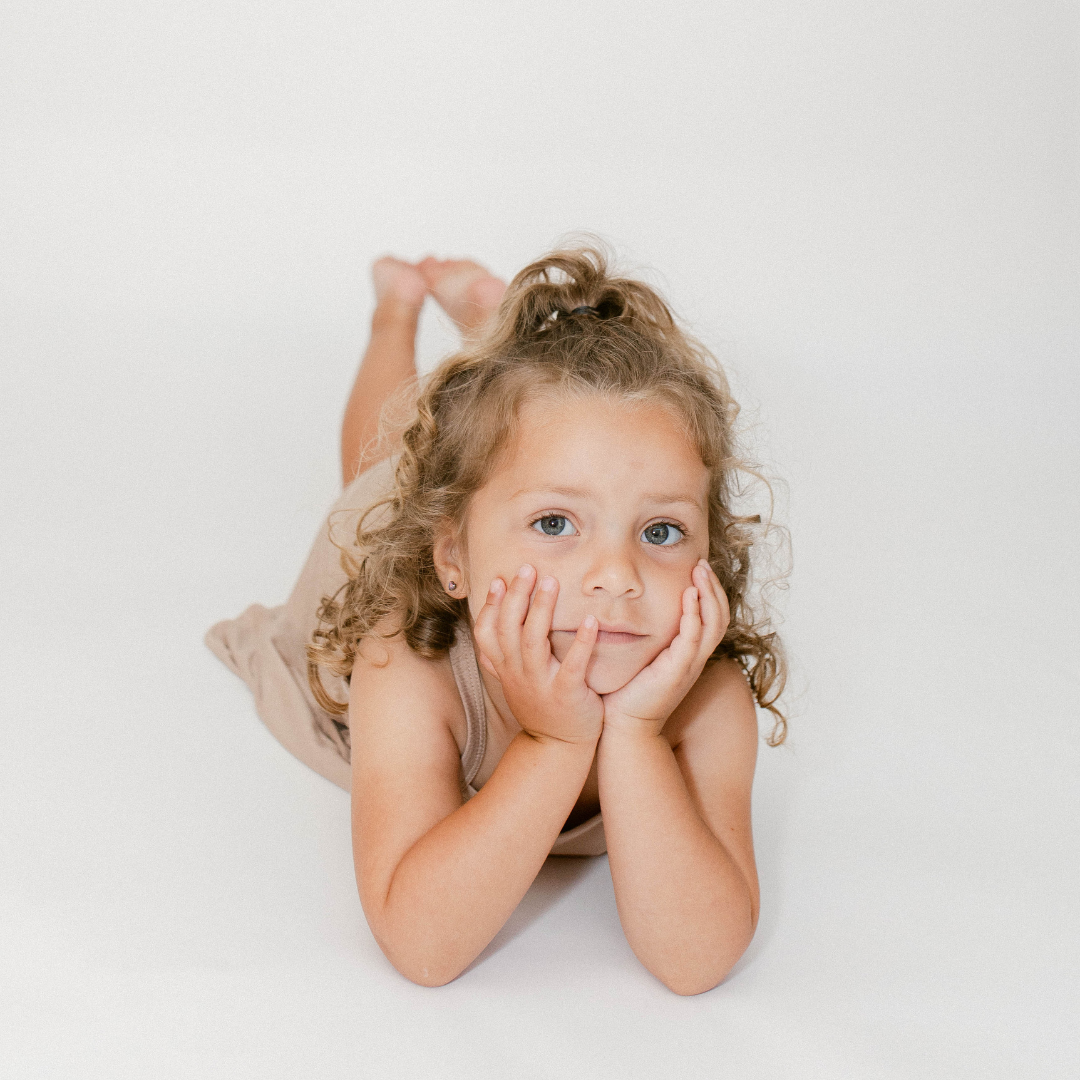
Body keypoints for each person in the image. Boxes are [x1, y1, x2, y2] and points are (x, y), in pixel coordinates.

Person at [206, 245, 787, 995]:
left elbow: (696, 960)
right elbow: (422, 946)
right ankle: (396, 312)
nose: (616, 575)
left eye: (662, 531)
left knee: (505, 428)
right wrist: (555, 742)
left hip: (487, 509)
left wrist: (637, 733)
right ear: (455, 556)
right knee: (387, 461)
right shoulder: (409, 666)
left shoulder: (707, 700)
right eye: (555, 523)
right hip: (381, 552)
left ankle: (501, 337)